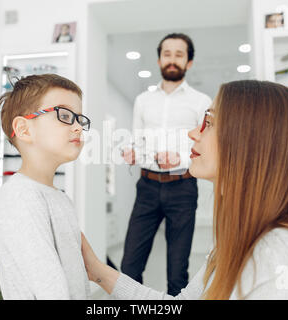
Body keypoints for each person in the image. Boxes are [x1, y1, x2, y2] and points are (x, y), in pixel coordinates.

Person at [82, 80, 288, 300]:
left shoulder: (286, 253)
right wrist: (97, 272)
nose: (193, 133)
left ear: (249, 142)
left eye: (209, 123)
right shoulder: (235, 241)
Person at [121, 33, 212, 296]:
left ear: (189, 62)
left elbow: (205, 147)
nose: (172, 60)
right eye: (167, 54)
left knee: (177, 272)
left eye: (179, 55)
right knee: (129, 266)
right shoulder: (143, 100)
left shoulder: (201, 101)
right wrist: (133, 152)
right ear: (159, 59)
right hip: (147, 187)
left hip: (182, 188)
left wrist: (181, 160)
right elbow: (137, 141)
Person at [0, 74, 91, 299]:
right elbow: (51, 289)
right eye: (65, 115)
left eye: (79, 119)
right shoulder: (18, 197)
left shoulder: (61, 199)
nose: (78, 127)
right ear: (24, 129)